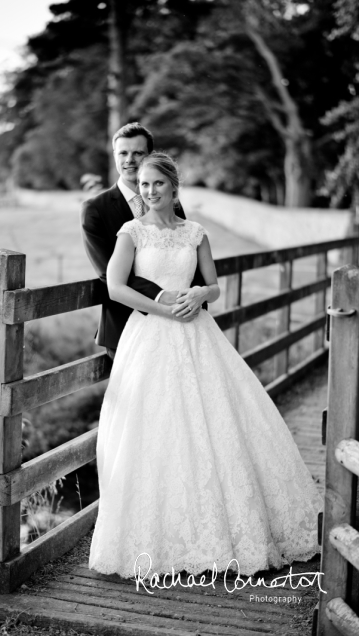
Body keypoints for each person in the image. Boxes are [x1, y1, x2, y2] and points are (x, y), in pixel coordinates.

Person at [87, 152, 322, 577]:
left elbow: (214, 286)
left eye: (158, 183)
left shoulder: (195, 233)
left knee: (216, 420)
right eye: (143, 184)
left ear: (174, 187)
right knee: (154, 428)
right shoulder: (131, 233)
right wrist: (161, 310)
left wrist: (199, 296)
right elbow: (116, 288)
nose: (150, 191)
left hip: (198, 334)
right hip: (151, 336)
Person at [80, 122, 209, 359]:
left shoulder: (172, 202)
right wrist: (162, 296)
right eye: (123, 153)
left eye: (138, 153)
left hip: (182, 320)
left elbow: (187, 249)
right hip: (125, 326)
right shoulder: (95, 209)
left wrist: (196, 298)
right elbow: (108, 273)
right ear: (115, 156)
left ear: (150, 156)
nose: (130, 159)